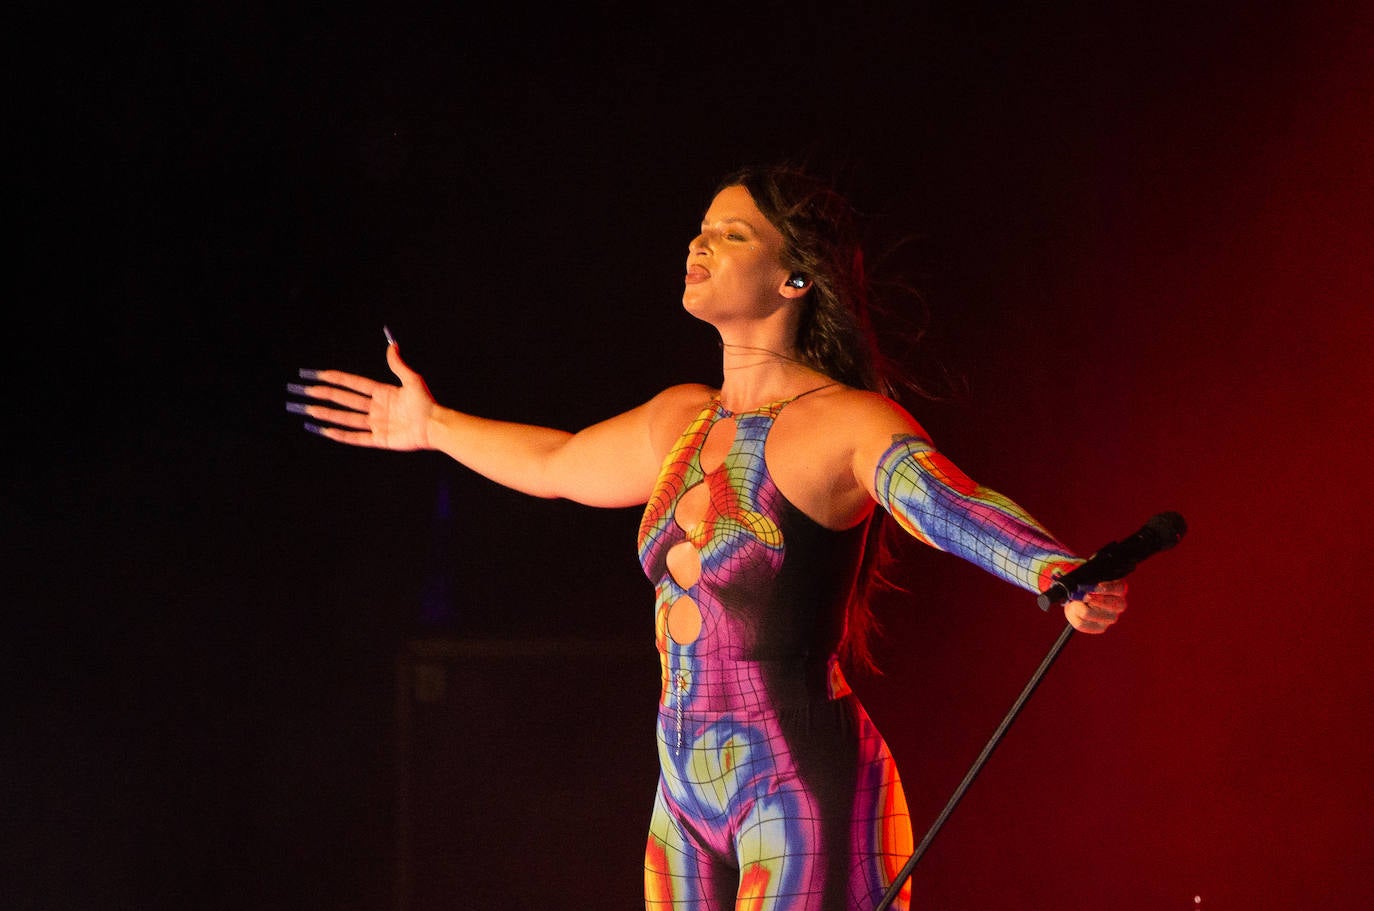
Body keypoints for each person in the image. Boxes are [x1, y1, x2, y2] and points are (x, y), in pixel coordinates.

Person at [286, 164, 1127, 910]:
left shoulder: (843, 424)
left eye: (732, 232)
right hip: (683, 790)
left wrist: (1052, 567)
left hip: (798, 783)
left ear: (796, 276)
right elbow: (557, 460)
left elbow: (943, 499)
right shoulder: (680, 420)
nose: (700, 241)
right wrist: (431, 424)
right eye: (701, 226)